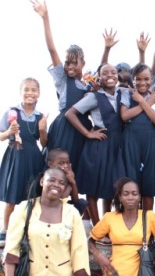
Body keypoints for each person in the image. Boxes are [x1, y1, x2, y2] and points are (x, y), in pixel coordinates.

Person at [31, 0, 92, 173]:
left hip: (81, 130)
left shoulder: (89, 86)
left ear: (83, 63)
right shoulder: (63, 81)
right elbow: (52, 50)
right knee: (56, 169)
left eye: (74, 63)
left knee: (75, 171)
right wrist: (45, 17)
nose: (70, 67)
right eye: (67, 63)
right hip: (63, 129)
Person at [65, 63, 126, 226]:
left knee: (113, 187)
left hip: (116, 146)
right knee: (94, 187)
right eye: (105, 73)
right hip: (99, 145)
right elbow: (70, 113)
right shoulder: (94, 96)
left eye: (113, 72)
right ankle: (97, 226)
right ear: (99, 77)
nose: (110, 76)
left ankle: (109, 224)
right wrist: (87, 133)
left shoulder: (123, 93)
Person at [3, 167, 90, 276]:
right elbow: (12, 250)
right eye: (52, 180)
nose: (56, 185)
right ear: (42, 182)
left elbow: (79, 252)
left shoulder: (72, 214)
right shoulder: (24, 208)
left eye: (61, 183)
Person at [0, 77, 47, 247]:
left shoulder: (40, 116)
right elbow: (0, 136)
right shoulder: (12, 112)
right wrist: (8, 132)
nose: (30, 93)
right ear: (21, 92)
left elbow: (44, 143)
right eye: (26, 89)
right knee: (12, 196)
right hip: (15, 155)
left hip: (33, 156)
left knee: (32, 197)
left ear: (39, 94)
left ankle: (28, 232)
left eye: (34, 90)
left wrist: (42, 129)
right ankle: (5, 232)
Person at [88, 177, 155, 276]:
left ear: (139, 197)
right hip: (115, 272)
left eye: (134, 193)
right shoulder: (110, 218)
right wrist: (99, 256)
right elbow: (90, 241)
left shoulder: (149, 216)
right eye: (126, 194)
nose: (130, 197)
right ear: (120, 197)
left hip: (142, 271)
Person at [121, 63, 155, 210]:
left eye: (146, 79)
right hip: (131, 141)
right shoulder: (128, 94)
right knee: (131, 182)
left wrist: (144, 101)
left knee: (148, 184)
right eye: (138, 79)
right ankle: (132, 220)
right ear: (133, 80)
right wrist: (144, 103)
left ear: (151, 78)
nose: (142, 83)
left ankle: (147, 223)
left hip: (150, 142)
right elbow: (125, 116)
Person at [46, 148, 88, 217]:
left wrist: (72, 182)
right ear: (50, 164)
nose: (65, 166)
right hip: (49, 207)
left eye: (67, 163)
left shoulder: (67, 176)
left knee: (81, 203)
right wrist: (68, 185)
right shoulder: (47, 177)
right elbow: (61, 198)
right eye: (61, 163)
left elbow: (75, 200)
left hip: (61, 207)